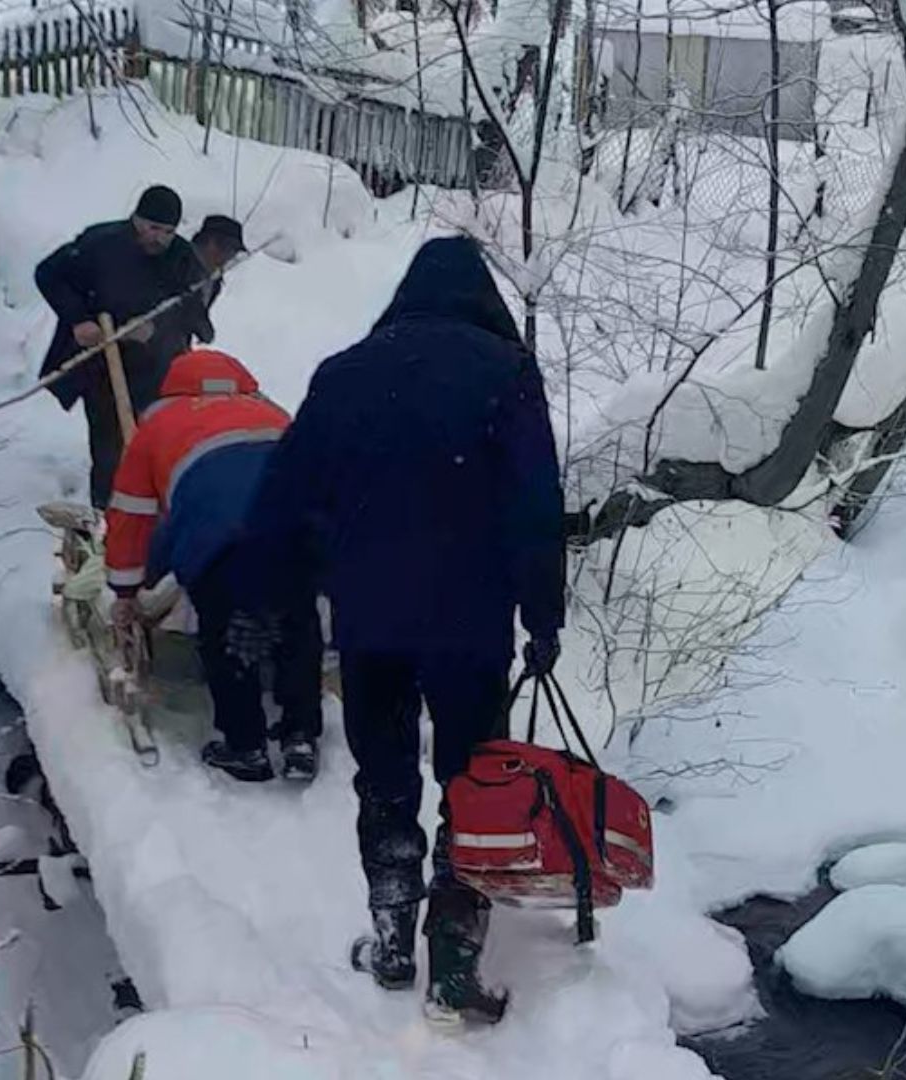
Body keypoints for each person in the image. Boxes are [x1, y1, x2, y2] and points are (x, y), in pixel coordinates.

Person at [242, 236, 565, 1026]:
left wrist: (267, 601)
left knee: (384, 773)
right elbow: (534, 506)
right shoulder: (505, 372)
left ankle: (391, 939)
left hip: (370, 620)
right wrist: (543, 616)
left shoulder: (343, 375)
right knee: (472, 781)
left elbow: (281, 505)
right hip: (470, 626)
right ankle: (451, 965)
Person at [103, 347, 324, 783]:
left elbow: (132, 517)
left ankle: (246, 746)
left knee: (225, 633)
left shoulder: (158, 424)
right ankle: (300, 737)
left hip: (218, 538)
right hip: (297, 530)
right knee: (297, 624)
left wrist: (127, 590)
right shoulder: (271, 411)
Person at [34, 184, 213, 508]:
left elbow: (194, 308)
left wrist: (156, 328)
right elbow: (48, 274)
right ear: (136, 220)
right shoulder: (100, 244)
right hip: (102, 362)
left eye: (168, 231)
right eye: (152, 228)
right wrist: (79, 319)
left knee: (156, 441)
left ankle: (154, 515)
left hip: (156, 366)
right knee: (109, 447)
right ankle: (106, 515)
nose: (158, 238)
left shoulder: (182, 257)